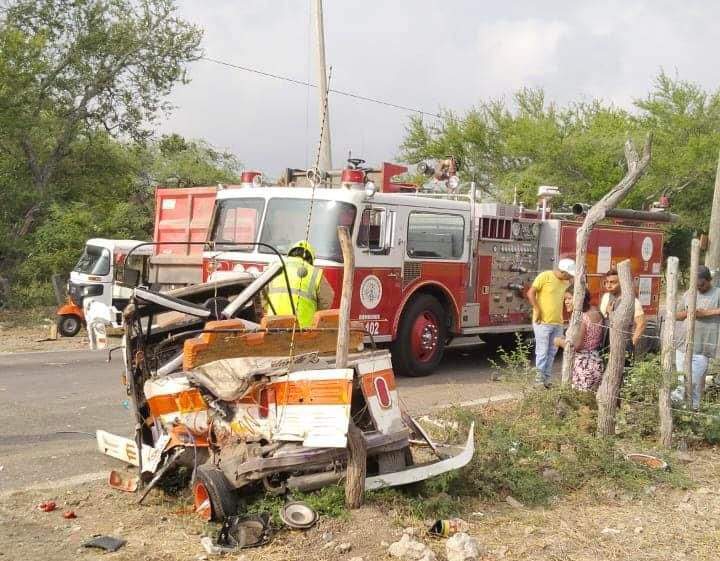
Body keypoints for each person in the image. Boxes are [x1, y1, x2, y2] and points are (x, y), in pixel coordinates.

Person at [675, 266, 720, 409]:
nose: (699, 288)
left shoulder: (717, 293)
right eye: (696, 285)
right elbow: (677, 315)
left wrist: (704, 313)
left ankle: (690, 411)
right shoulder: (689, 293)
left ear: (709, 280)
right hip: (683, 345)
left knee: (693, 383)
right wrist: (690, 313)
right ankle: (684, 412)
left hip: (702, 348)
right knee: (681, 381)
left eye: (702, 285)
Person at [527, 258, 575, 387]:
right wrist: (537, 310)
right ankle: (539, 381)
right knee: (542, 352)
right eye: (569, 274)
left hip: (558, 322)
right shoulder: (545, 276)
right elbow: (530, 293)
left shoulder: (566, 282)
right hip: (542, 321)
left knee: (552, 352)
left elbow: (568, 295)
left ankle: (546, 379)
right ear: (564, 271)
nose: (570, 276)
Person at [265, 240, 335, 328]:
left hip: (272, 325)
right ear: (310, 259)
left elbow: (262, 293)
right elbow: (327, 299)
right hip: (301, 329)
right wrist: (315, 314)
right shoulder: (314, 273)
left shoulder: (274, 268)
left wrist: (268, 308)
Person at [554, 290, 605, 391]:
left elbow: (576, 346)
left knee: (579, 403)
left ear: (579, 298)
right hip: (595, 362)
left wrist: (559, 342)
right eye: (565, 299)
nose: (566, 302)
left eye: (569, 298)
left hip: (583, 366)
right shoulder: (595, 311)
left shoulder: (581, 318)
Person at [599, 268, 647, 351]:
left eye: (613, 282)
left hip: (623, 345)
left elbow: (641, 324)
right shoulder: (606, 297)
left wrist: (631, 344)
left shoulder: (632, 301)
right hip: (605, 343)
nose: (609, 285)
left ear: (621, 283)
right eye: (607, 282)